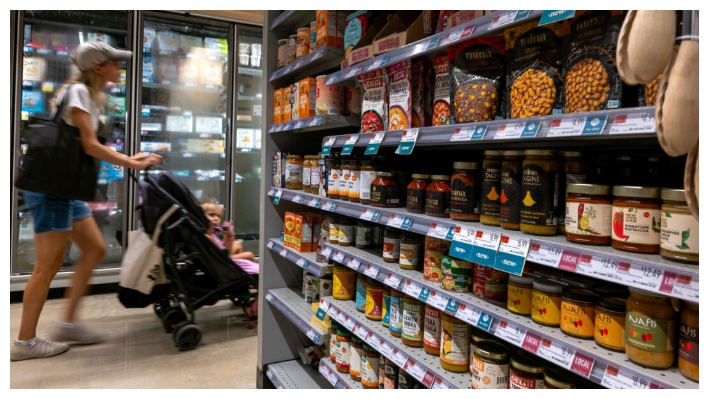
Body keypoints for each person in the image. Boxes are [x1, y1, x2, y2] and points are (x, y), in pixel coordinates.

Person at [11, 41, 163, 362]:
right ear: (98, 67)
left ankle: (68, 324)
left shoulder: (89, 95)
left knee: (94, 249)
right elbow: (90, 146)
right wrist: (132, 162)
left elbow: (85, 146)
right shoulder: (79, 92)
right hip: (53, 189)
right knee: (46, 267)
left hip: (64, 188)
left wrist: (127, 157)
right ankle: (25, 343)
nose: (119, 69)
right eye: (115, 64)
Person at [200, 201, 259, 328]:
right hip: (224, 267)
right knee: (263, 275)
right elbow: (225, 256)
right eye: (211, 215)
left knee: (238, 245)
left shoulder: (208, 235)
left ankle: (244, 289)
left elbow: (222, 250)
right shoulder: (208, 238)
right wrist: (230, 237)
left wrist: (228, 236)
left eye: (218, 216)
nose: (216, 218)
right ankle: (254, 307)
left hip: (220, 262)